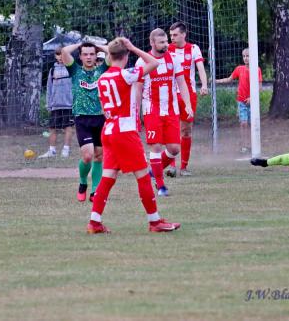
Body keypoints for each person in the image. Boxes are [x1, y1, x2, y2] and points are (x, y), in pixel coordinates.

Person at [87, 37, 181, 234]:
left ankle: (94, 222)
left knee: (108, 177)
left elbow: (104, 107)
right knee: (143, 176)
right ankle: (155, 222)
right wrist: (133, 47)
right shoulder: (126, 74)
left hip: (109, 130)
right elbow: (154, 62)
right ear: (126, 55)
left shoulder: (102, 78)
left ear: (109, 55)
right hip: (125, 131)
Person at [134, 28, 193, 197]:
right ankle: (160, 185)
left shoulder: (173, 59)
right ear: (152, 43)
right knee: (156, 146)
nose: (166, 44)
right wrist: (136, 113)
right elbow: (138, 89)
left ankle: (154, 171)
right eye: (161, 42)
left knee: (174, 149)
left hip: (171, 110)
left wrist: (187, 104)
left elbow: (182, 83)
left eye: (166, 41)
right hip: (152, 110)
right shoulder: (142, 62)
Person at [61, 41, 111, 202]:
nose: (89, 57)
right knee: (88, 156)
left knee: (99, 156)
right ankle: (83, 182)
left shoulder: (102, 70)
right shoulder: (75, 70)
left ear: (96, 56)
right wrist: (80, 44)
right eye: (85, 54)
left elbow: (112, 52)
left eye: (91, 54)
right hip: (82, 118)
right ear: (81, 57)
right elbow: (64, 52)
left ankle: (95, 191)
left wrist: (97, 45)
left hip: (100, 117)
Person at [167, 22, 209, 177]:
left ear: (184, 34)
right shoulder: (167, 49)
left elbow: (200, 69)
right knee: (171, 129)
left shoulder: (193, 49)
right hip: (170, 94)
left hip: (189, 95)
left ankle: (183, 167)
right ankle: (171, 166)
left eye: (175, 35)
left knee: (186, 130)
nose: (172, 38)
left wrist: (204, 85)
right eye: (171, 35)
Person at [215, 48, 262, 154]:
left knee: (253, 124)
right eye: (244, 56)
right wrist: (216, 81)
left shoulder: (257, 69)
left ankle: (253, 145)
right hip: (241, 102)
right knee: (243, 123)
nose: (245, 58)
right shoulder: (239, 69)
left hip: (253, 102)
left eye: (248, 56)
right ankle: (244, 146)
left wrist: (252, 98)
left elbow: (259, 88)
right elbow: (229, 79)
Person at [40, 46, 74, 158]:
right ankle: (52, 151)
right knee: (52, 127)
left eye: (63, 54)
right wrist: (48, 103)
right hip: (55, 105)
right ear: (55, 56)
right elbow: (49, 88)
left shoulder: (72, 69)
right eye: (58, 54)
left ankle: (66, 150)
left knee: (68, 127)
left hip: (69, 105)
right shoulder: (52, 70)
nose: (61, 57)